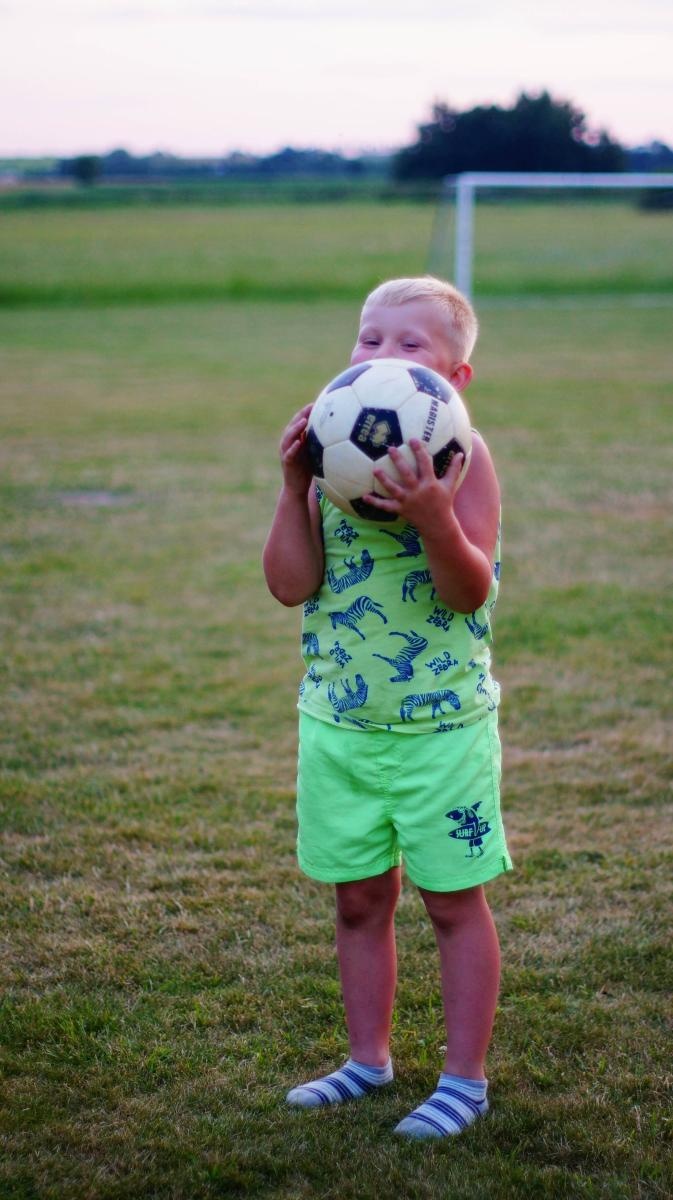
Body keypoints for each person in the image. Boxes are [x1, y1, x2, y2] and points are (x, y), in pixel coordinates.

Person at [263, 276, 512, 1139]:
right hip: (338, 725)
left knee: (452, 903)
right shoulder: (330, 452)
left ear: (455, 378)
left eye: (409, 346)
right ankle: (368, 1061)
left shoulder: (464, 457)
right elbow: (289, 585)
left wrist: (435, 518)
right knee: (359, 902)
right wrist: (293, 484)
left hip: (440, 730)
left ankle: (463, 1082)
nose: (381, 357)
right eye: (370, 340)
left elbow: (466, 591)